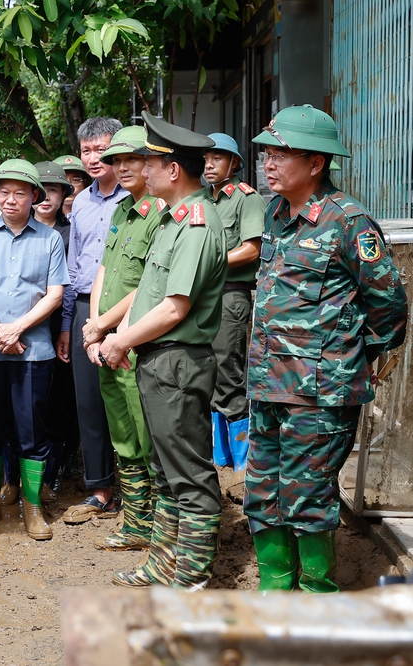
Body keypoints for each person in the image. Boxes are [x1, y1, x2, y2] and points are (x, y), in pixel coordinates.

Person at [247, 106, 407, 592]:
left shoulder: (348, 222)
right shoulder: (275, 216)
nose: (269, 164)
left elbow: (390, 306)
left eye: (282, 154)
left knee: (308, 498)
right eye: (267, 154)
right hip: (269, 384)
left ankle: (317, 596)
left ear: (316, 164)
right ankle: (275, 590)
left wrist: (358, 357)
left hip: (320, 392)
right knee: (261, 493)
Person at [100, 112, 226, 590]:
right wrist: (124, 338)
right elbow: (149, 292)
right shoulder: (172, 221)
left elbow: (174, 309)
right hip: (157, 360)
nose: (143, 170)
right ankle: (163, 563)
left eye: (151, 162)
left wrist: (119, 340)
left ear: (174, 170)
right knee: (165, 468)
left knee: (189, 476)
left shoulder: (195, 224)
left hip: (177, 360)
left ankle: (190, 578)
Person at [0, 160, 68, 541]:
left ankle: (32, 507)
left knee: (32, 429)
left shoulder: (50, 239)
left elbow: (55, 294)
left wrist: (18, 328)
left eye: (20, 192)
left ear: (34, 197)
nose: (11, 199)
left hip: (33, 350)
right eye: (3, 191)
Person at [78, 126, 163, 550]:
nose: (122, 167)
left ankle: (162, 528)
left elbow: (147, 282)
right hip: (107, 341)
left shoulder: (162, 213)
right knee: (122, 435)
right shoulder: (123, 212)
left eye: (131, 159)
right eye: (117, 160)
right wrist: (94, 330)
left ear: (153, 162)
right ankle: (136, 523)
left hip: (135, 342)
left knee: (147, 434)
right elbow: (104, 271)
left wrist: (111, 330)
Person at [56, 117, 127, 523]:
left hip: (130, 307)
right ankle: (100, 489)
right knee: (89, 402)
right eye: (87, 151)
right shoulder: (80, 202)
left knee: (131, 400)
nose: (94, 158)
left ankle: (139, 489)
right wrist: (68, 324)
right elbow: (73, 267)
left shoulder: (139, 197)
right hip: (85, 307)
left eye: (102, 149)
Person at [202, 133, 266, 460]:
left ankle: (242, 464)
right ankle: (219, 457)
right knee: (207, 372)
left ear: (234, 163)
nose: (209, 164)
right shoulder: (201, 199)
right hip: (201, 297)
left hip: (230, 294)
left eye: (217, 158)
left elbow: (252, 249)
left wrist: (209, 261)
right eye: (206, 159)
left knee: (228, 372)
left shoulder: (246, 198)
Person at [32, 161, 78, 493]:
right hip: (15, 328)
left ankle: (50, 476)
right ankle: (14, 479)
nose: (46, 198)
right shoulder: (8, 228)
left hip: (57, 324)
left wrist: (64, 328)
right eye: (41, 190)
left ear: (63, 194)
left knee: (57, 400)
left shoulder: (70, 232)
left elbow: (71, 286)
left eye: (54, 190)